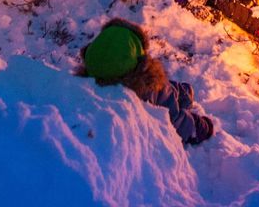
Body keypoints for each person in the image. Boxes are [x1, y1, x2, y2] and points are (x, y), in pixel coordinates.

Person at [79, 17, 215, 146]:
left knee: (167, 89)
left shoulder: (94, 72)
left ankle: (180, 92)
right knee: (163, 92)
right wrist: (200, 126)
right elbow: (175, 120)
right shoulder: (146, 88)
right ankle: (182, 96)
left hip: (129, 77)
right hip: (162, 97)